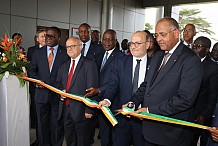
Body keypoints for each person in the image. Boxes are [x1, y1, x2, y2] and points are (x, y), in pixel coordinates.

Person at [122, 17, 203, 146]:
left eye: (163, 34)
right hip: (149, 131)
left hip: (171, 134)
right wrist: (133, 102)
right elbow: (147, 85)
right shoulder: (158, 56)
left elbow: (185, 99)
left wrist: (149, 111)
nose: (158, 39)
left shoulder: (190, 60)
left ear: (176, 33)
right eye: (156, 35)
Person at [97, 31, 151, 146]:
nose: (133, 46)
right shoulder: (120, 62)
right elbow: (113, 84)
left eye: (138, 43)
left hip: (144, 119)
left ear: (147, 45)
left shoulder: (154, 64)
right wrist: (107, 100)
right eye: (132, 43)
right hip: (122, 117)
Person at [28, 26, 69, 146]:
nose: (48, 38)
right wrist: (36, 82)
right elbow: (31, 70)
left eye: (52, 36)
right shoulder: (38, 53)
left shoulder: (65, 53)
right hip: (41, 96)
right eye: (47, 35)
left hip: (57, 96)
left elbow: (67, 73)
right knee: (42, 126)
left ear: (59, 38)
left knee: (57, 125)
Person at [56, 37, 98, 146]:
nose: (69, 49)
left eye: (73, 46)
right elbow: (58, 83)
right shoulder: (63, 66)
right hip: (65, 109)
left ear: (80, 47)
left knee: (83, 141)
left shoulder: (89, 64)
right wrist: (61, 92)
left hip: (82, 111)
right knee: (70, 140)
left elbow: (92, 88)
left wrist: (89, 109)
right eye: (67, 47)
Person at [85, 29, 124, 146]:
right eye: (105, 39)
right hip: (96, 99)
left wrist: (99, 89)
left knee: (112, 133)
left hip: (111, 100)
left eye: (110, 39)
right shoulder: (98, 53)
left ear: (115, 41)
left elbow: (116, 80)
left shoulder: (121, 57)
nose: (107, 42)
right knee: (102, 132)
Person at [191, 36, 218, 146]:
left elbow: (212, 95)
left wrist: (204, 114)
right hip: (181, 110)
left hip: (198, 113)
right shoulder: (186, 61)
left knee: (192, 140)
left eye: (199, 46)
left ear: (207, 50)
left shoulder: (213, 68)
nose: (195, 48)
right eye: (194, 45)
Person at [27, 29, 46, 146]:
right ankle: (39, 139)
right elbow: (30, 69)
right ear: (37, 38)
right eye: (42, 36)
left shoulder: (52, 50)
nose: (44, 38)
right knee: (38, 116)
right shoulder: (31, 50)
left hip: (48, 88)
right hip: (36, 88)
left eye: (46, 36)